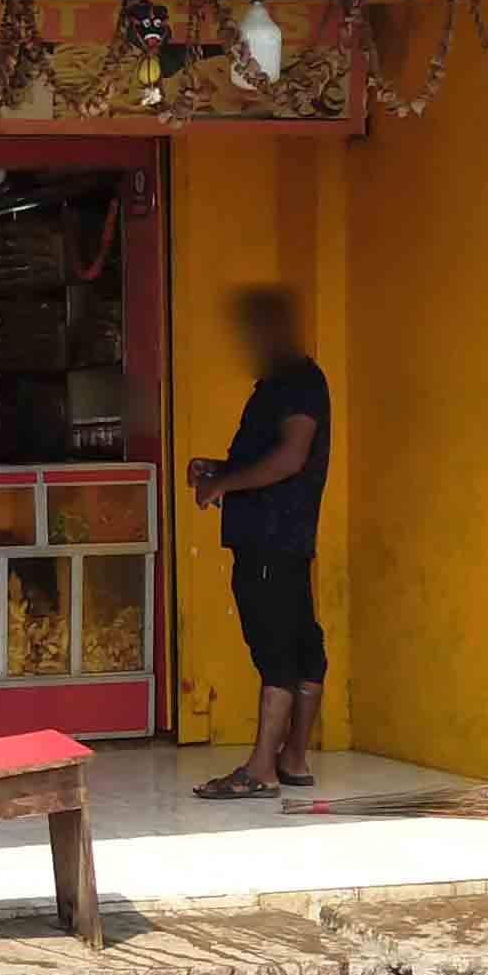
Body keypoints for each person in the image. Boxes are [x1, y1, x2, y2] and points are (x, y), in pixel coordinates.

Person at [188, 285, 330, 800]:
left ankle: (261, 770)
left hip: (271, 538)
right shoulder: (281, 383)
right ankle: (293, 759)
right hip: (281, 537)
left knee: (275, 647)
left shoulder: (296, 383)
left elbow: (292, 457)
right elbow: (276, 458)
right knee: (300, 642)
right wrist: (220, 468)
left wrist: (225, 484)